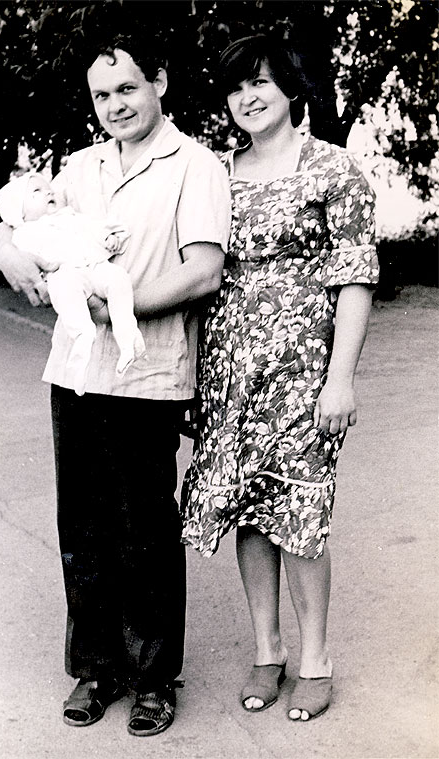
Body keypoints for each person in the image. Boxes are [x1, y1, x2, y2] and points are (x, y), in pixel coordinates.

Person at [0, 33, 231, 736]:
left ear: (159, 82)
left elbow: (203, 271)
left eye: (127, 88)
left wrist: (114, 308)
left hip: (147, 371)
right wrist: (9, 256)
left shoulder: (195, 165)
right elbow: (15, 224)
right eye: (102, 95)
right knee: (82, 526)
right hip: (74, 371)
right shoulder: (80, 166)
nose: (115, 105)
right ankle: (96, 668)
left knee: (144, 530)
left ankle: (153, 677)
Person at [181, 33, 379, 722]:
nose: (248, 97)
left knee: (300, 514)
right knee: (250, 508)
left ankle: (315, 658)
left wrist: (341, 378)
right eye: (236, 87)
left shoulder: (333, 168)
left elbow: (355, 277)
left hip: (304, 372)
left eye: (261, 82)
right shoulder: (216, 175)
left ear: (291, 88)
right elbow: (200, 274)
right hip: (231, 373)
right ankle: (267, 651)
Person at [0, 171, 145, 395]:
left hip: (93, 265)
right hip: (63, 273)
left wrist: (108, 238)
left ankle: (127, 339)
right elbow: (25, 261)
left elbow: (92, 228)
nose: (48, 192)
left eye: (49, 189)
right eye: (37, 191)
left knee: (119, 278)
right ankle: (82, 341)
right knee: (67, 292)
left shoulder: (69, 216)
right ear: (19, 211)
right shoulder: (23, 233)